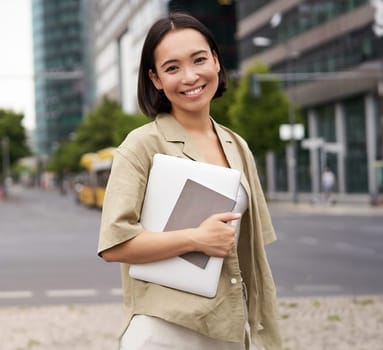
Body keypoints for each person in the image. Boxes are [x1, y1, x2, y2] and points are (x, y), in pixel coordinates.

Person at [97, 12, 280, 350]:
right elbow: (114, 244)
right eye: (172, 68)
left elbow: (252, 254)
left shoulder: (237, 145)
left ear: (216, 61)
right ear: (155, 79)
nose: (190, 76)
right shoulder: (141, 146)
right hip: (165, 331)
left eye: (199, 60)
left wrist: (262, 330)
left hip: (228, 329)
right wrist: (196, 238)